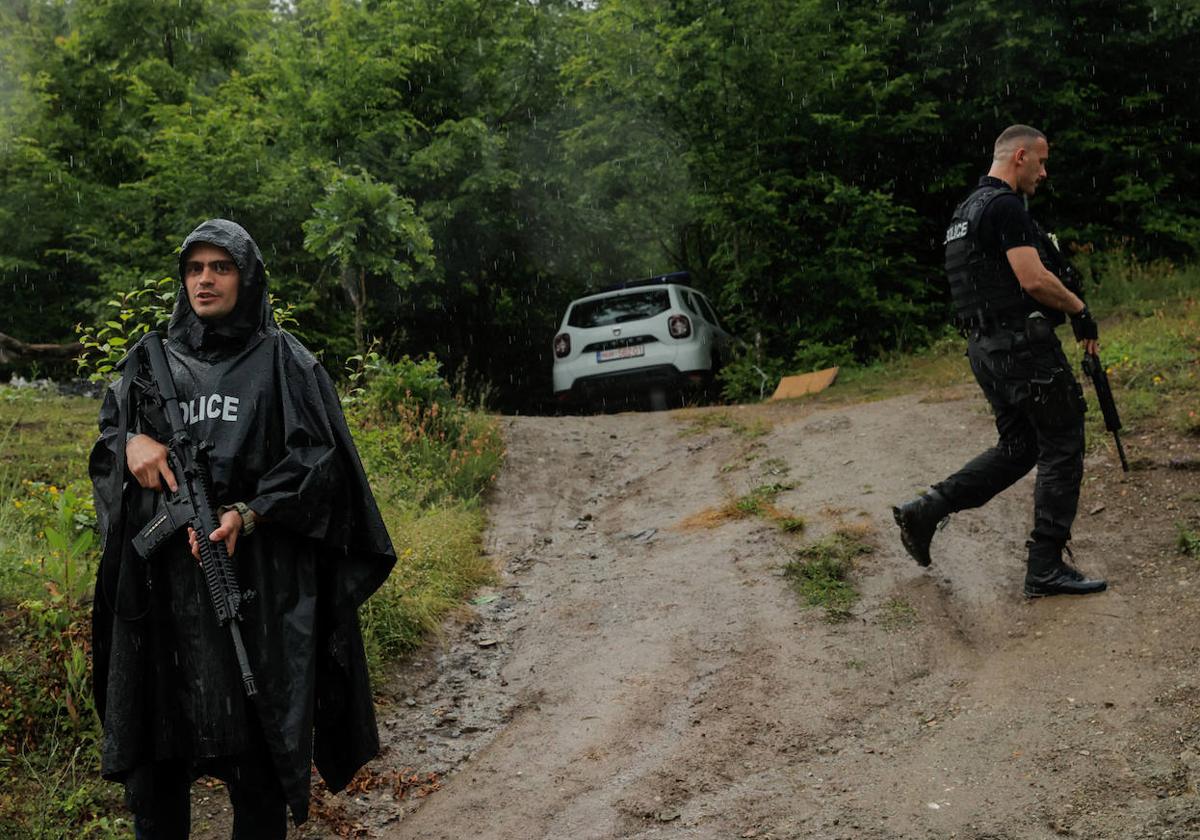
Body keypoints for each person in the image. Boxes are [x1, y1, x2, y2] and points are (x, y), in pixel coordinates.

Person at [89, 219, 396, 838]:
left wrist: (248, 513)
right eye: (195, 268)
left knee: (257, 770)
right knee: (157, 767)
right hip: (163, 603)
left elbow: (320, 463)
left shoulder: (285, 364)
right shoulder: (150, 363)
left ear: (246, 277)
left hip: (255, 595)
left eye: (220, 267)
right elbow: (106, 437)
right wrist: (131, 445)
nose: (205, 280)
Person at [893, 125, 1107, 598]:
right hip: (1020, 347)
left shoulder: (964, 212)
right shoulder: (1006, 206)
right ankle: (1045, 565)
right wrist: (1079, 309)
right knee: (1064, 439)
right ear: (1020, 156)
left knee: (1020, 445)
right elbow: (1032, 279)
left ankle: (926, 509)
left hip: (985, 349)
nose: (1044, 172)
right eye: (1042, 162)